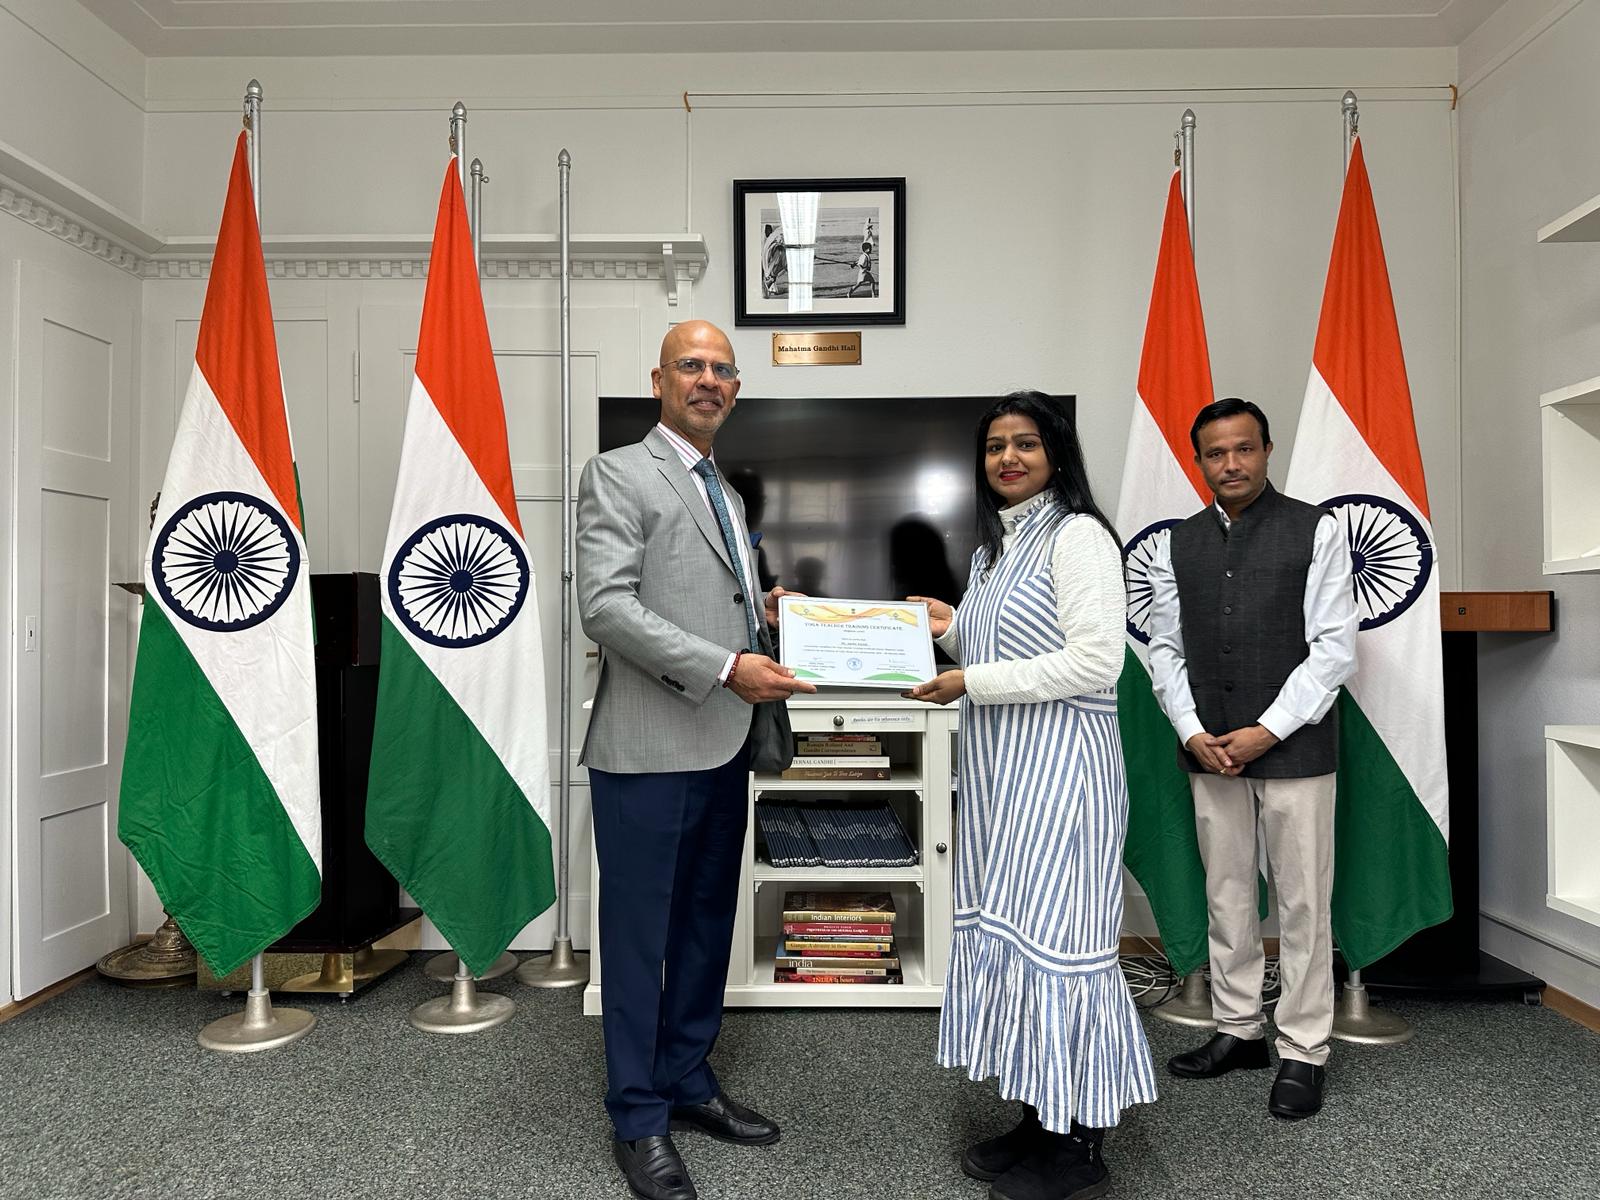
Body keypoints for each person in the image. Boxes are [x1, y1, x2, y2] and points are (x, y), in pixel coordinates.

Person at [577, 319, 816, 1200]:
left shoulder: (726, 490)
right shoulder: (617, 472)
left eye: (722, 369)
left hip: (724, 744)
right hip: (648, 748)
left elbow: (701, 597)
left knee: (707, 925)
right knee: (641, 939)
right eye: (691, 365)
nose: (708, 379)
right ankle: (637, 1117)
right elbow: (606, 608)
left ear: (736, 389)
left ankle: (685, 1078)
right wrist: (725, 665)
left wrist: (763, 613)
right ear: (660, 381)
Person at [906, 390, 1157, 1200]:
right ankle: (1040, 1116)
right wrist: (949, 626)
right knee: (1016, 944)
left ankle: (1080, 1147)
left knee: (1062, 950)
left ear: (1056, 453)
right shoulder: (995, 551)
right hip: (1002, 782)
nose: (1007, 458)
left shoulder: (1079, 536)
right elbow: (1006, 644)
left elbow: (1095, 661)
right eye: (994, 447)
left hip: (1063, 782)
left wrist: (967, 679)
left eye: (1024, 444)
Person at [1145, 397, 1356, 1122]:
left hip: (1295, 747)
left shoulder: (1316, 529)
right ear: (1198, 461)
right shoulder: (1178, 543)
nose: (1230, 464)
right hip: (1209, 748)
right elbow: (1164, 649)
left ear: (1267, 450)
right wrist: (1189, 729)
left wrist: (1267, 729)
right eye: (1215, 453)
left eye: (1243, 449)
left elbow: (1334, 651)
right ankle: (1238, 1029)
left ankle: (1304, 1049)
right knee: (1227, 892)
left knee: (1302, 901)